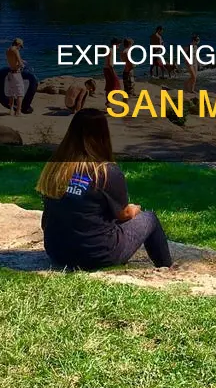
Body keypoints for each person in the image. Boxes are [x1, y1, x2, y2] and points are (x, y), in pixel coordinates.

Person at [36, 108, 173, 271]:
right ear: (103, 134)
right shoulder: (106, 172)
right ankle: (166, 268)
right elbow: (124, 214)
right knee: (149, 218)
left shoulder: (56, 168)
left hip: (56, 251)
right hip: (97, 255)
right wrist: (134, 210)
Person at [4, 38, 25, 117]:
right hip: (16, 73)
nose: (20, 48)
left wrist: (22, 60)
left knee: (11, 93)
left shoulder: (8, 50)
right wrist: (22, 65)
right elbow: (19, 63)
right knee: (20, 93)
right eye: (20, 46)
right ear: (18, 45)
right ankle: (18, 112)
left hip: (10, 73)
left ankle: (11, 110)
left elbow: (13, 60)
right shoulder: (16, 50)